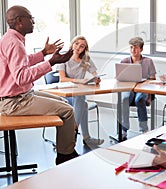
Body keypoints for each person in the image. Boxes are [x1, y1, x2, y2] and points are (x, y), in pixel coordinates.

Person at [0, 5, 78, 165]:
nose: (33, 21)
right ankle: (65, 156)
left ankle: (65, 147)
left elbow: (22, 61)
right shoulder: (15, 43)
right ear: (20, 21)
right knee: (68, 111)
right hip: (14, 102)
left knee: (64, 103)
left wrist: (43, 53)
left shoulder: (10, 39)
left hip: (20, 95)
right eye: (31, 18)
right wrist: (51, 62)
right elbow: (21, 77)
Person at [57, 36, 104, 147]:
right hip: (66, 95)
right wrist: (78, 81)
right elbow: (62, 79)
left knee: (82, 101)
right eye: (76, 43)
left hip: (79, 95)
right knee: (82, 102)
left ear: (84, 49)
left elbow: (95, 73)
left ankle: (77, 133)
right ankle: (80, 133)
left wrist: (96, 79)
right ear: (72, 44)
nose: (78, 47)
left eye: (82, 46)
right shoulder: (64, 57)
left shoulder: (85, 59)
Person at [120, 37, 156, 140]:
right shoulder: (124, 61)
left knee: (139, 99)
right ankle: (124, 129)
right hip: (129, 89)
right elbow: (119, 79)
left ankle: (144, 129)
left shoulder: (148, 61)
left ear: (141, 49)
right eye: (131, 47)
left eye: (136, 48)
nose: (133, 50)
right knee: (124, 99)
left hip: (143, 89)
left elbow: (152, 79)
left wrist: (149, 97)